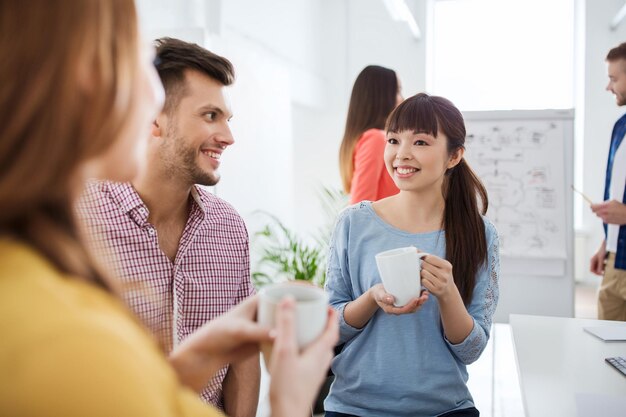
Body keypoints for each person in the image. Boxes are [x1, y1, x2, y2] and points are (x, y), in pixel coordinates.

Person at [0, 1, 338, 416]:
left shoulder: (227, 227)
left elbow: (130, 393)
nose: (229, 136)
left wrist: (193, 361)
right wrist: (289, 402)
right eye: (131, 61)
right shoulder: (63, 329)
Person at [76, 37, 258, 412]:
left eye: (227, 118)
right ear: (155, 119)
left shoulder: (229, 228)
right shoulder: (80, 218)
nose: (228, 136)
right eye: (210, 116)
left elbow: (241, 354)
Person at [324, 93, 500, 417]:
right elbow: (329, 327)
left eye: (420, 142)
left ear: (454, 156)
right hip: (355, 407)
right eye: (393, 140)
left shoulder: (480, 234)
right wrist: (371, 299)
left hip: (444, 408)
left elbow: (473, 349)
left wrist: (448, 295)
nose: (401, 154)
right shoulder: (353, 222)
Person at [589, 42, 626, 321]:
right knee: (606, 350)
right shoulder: (620, 127)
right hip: (616, 259)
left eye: (614, 78)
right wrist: (606, 244)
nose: (608, 86)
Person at [339, 65, 403, 205]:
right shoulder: (376, 139)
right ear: (381, 96)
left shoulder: (373, 138)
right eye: (397, 91)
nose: (402, 99)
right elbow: (360, 206)